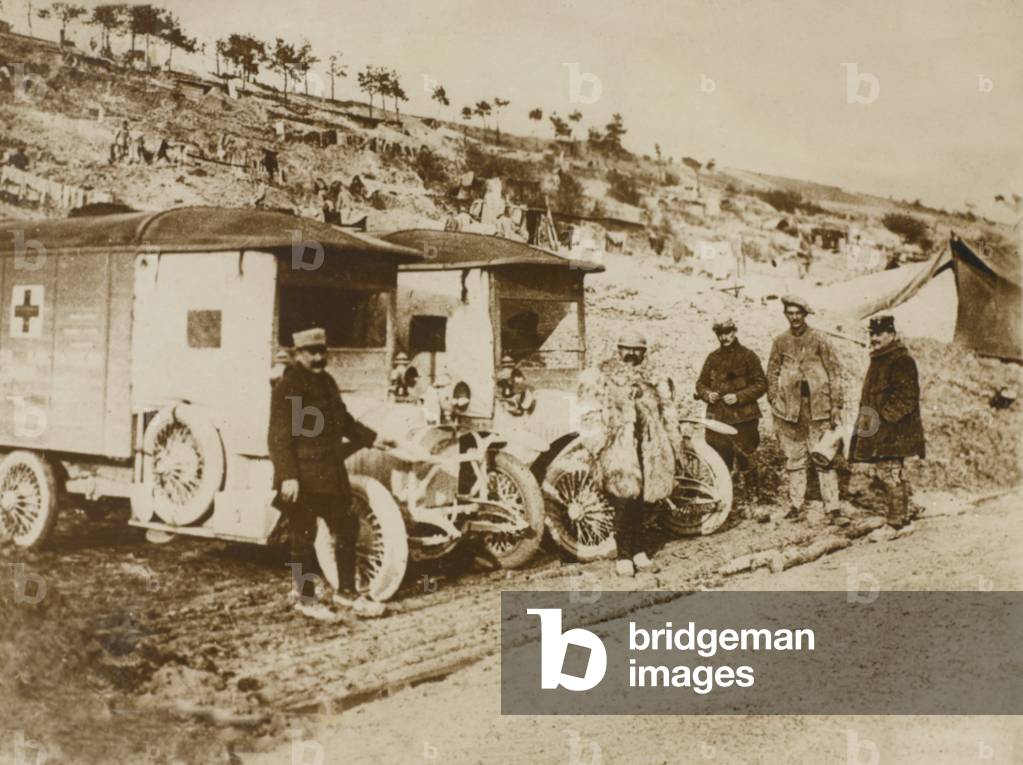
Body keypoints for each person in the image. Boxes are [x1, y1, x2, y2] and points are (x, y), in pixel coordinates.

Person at [268, 327, 395, 620]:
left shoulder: (326, 382)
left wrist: (374, 438)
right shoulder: (289, 387)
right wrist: (288, 476)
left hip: (328, 472)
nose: (317, 357)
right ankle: (304, 598)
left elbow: (343, 421)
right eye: (311, 352)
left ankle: (346, 592)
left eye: (321, 351)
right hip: (300, 476)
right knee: (302, 535)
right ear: (298, 354)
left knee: (347, 527)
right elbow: (279, 437)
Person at [578, 331, 679, 577]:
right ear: (618, 349)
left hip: (648, 448)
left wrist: (672, 443)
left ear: (644, 353)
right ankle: (623, 555)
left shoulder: (654, 379)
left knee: (643, 503)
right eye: (627, 349)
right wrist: (597, 444)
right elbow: (587, 411)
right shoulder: (602, 377)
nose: (631, 354)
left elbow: (668, 412)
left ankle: (639, 551)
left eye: (637, 350)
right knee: (623, 501)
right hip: (618, 448)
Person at [767, 295, 845, 524]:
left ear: (805, 314)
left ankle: (833, 509)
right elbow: (771, 372)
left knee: (824, 456)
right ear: (785, 315)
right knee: (795, 457)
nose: (794, 318)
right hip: (790, 410)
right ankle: (796, 506)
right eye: (790, 313)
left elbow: (835, 372)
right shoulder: (780, 341)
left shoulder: (819, 339)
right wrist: (773, 398)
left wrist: (836, 405)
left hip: (818, 408)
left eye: (798, 313)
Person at [848, 315, 925, 528]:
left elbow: (907, 397)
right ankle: (903, 515)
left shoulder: (901, 360)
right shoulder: (880, 358)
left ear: (892, 334)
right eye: (872, 334)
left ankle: (895, 522)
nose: (874, 338)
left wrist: (885, 420)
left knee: (890, 472)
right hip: (879, 429)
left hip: (893, 431)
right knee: (890, 472)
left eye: (879, 334)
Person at [695, 315, 767, 502]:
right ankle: (724, 499)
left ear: (734, 332)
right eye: (720, 334)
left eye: (727, 332)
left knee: (747, 458)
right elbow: (701, 383)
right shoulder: (712, 358)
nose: (724, 337)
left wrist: (739, 396)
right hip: (716, 418)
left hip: (743, 419)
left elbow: (761, 384)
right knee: (719, 461)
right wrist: (707, 394)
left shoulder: (748, 356)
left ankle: (753, 499)